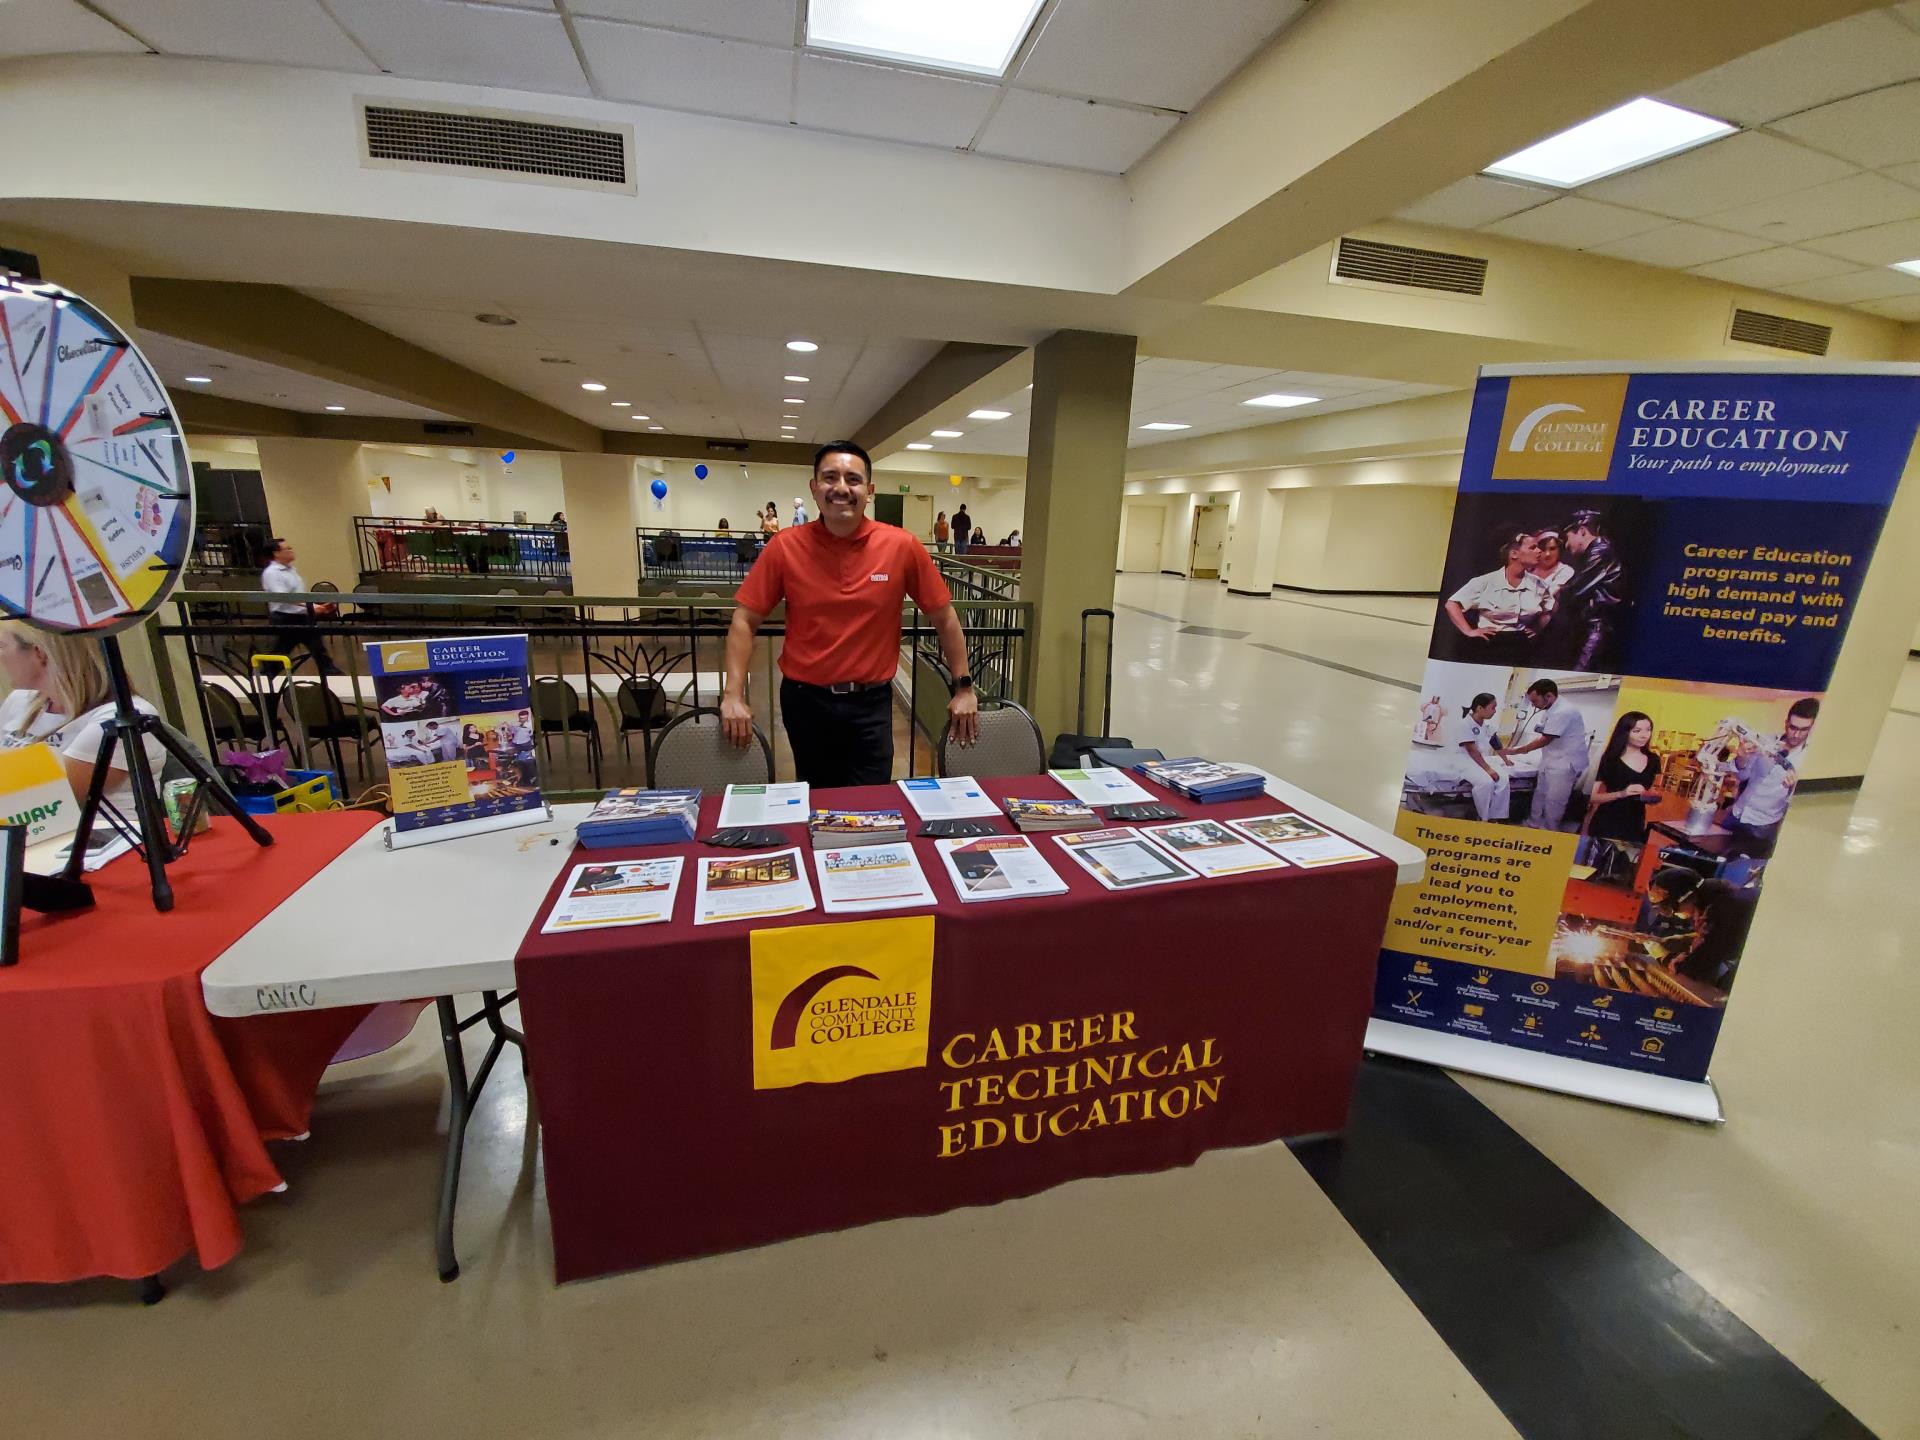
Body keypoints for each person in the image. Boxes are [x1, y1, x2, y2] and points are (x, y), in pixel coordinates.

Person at [723, 440, 979, 786]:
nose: (841, 488)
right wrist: (733, 695)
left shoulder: (901, 546)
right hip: (806, 702)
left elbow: (944, 617)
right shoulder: (785, 546)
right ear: (814, 488)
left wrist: (963, 687)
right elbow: (744, 619)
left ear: (869, 491)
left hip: (870, 704)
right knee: (818, 799)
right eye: (830, 478)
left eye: (853, 479)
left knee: (872, 804)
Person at [0, 623, 170, 823]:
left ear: (39, 653)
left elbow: (40, 796)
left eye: (2, 646)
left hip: (99, 844)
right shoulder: (20, 701)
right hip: (28, 841)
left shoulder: (119, 717)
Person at [1722, 697, 1817, 855]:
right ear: (1786, 723)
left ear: (1811, 728)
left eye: (1804, 729)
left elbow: (1801, 806)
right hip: (1736, 814)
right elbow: (1742, 776)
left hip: (1762, 827)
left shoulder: (1809, 759)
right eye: (1793, 727)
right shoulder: (1765, 741)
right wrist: (1741, 757)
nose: (1796, 734)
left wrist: (1794, 788)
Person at [1499, 678, 1587, 830]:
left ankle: (1549, 831)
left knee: (1554, 801)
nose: (1533, 705)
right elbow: (1543, 732)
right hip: (1550, 759)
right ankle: (1533, 824)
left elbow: (1546, 739)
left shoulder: (1564, 711)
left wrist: (1516, 751)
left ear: (1548, 696)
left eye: (1535, 701)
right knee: (1539, 793)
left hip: (1564, 764)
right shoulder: (1549, 709)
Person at [1443, 530, 1543, 662]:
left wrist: (1537, 629)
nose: (1539, 551)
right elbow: (1451, 605)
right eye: (1532, 547)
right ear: (1514, 554)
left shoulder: (1539, 584)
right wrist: (1469, 631)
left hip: (1522, 645)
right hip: (1491, 645)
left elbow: (1550, 608)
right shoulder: (1486, 582)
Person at [1550, 508, 1626, 669]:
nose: (1567, 544)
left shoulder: (1600, 551)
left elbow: (1575, 591)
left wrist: (1560, 593)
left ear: (1582, 531)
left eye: (1567, 537)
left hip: (1596, 631)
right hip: (1588, 629)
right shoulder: (1596, 553)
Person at [259, 537, 341, 675]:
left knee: (319, 650)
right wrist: (312, 607)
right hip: (285, 619)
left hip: (302, 616)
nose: (291, 551)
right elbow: (284, 597)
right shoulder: (272, 573)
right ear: (276, 553)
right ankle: (266, 678)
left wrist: (315, 607)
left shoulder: (291, 570)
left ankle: (332, 674)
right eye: (287, 549)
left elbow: (299, 595)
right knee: (279, 653)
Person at [1440, 692, 1511, 823]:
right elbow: (1471, 750)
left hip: (1479, 759)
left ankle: (1496, 816)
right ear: (1479, 708)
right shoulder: (1464, 724)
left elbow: (1496, 744)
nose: (1495, 711)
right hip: (1462, 759)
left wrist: (1506, 760)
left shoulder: (1487, 726)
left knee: (1503, 779)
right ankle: (1483, 818)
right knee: (1486, 782)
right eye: (1493, 707)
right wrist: (1489, 770)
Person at [1528, 529, 1573, 601]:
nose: (1547, 554)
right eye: (1543, 549)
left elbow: (1550, 597)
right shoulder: (1527, 572)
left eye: (1552, 549)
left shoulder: (1566, 571)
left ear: (1559, 549)